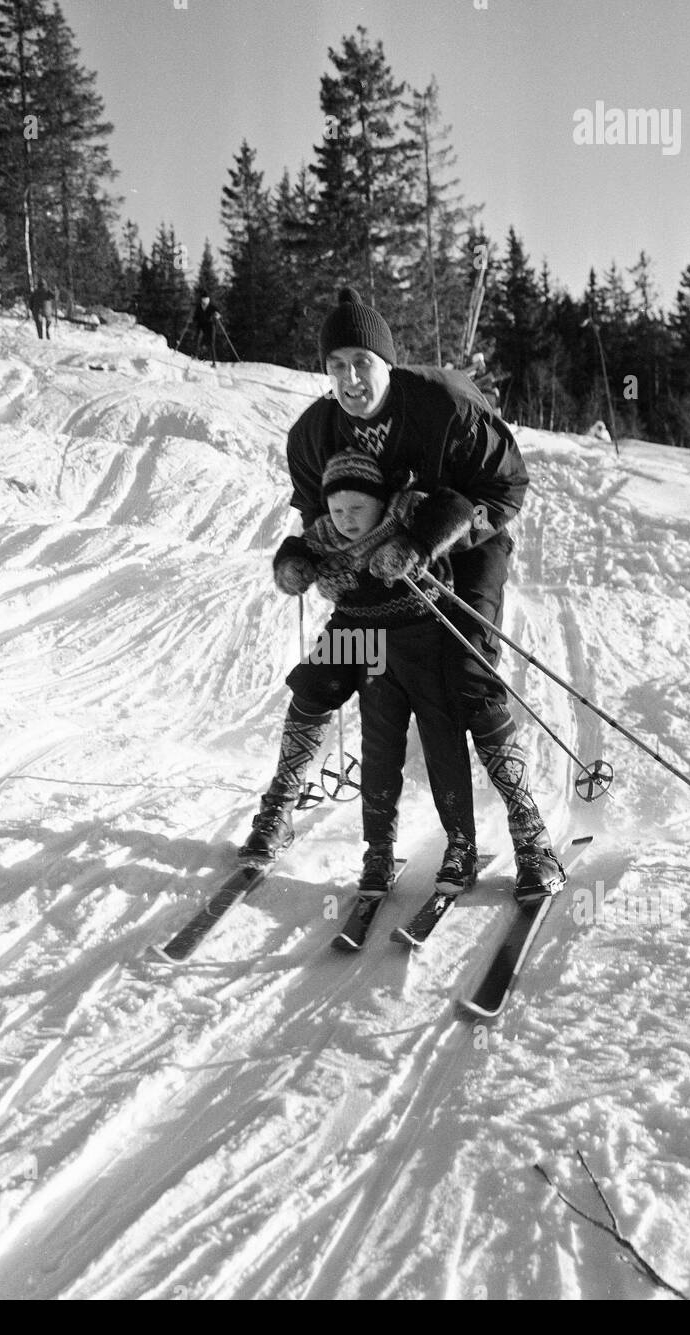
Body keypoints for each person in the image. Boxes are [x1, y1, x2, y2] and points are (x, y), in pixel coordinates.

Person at [247, 286, 566, 902]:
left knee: (470, 676)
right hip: (379, 573)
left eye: (361, 363)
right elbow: (318, 521)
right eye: (335, 366)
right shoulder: (314, 435)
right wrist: (306, 562)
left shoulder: (444, 405)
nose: (350, 379)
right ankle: (278, 808)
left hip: (467, 548)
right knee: (323, 675)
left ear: (386, 361)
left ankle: (528, 833)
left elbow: (507, 489)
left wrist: (434, 543)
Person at [240, 450, 479, 895]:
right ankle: (280, 808)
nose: (347, 520)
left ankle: (460, 841)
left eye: (357, 508)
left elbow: (457, 510)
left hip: (415, 629)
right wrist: (290, 567)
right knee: (315, 685)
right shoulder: (326, 533)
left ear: (378, 500)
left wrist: (413, 546)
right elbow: (299, 547)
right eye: (337, 510)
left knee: (434, 728)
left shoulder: (402, 509)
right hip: (358, 631)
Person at [193, 292, 220, 366]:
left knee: (211, 343)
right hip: (201, 326)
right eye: (203, 301)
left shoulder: (211, 307)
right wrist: (192, 319)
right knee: (197, 339)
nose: (205, 303)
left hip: (211, 326)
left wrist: (217, 315)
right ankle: (196, 355)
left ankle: (214, 362)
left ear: (208, 300)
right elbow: (195, 317)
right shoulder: (199, 307)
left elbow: (217, 313)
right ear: (202, 300)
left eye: (206, 301)